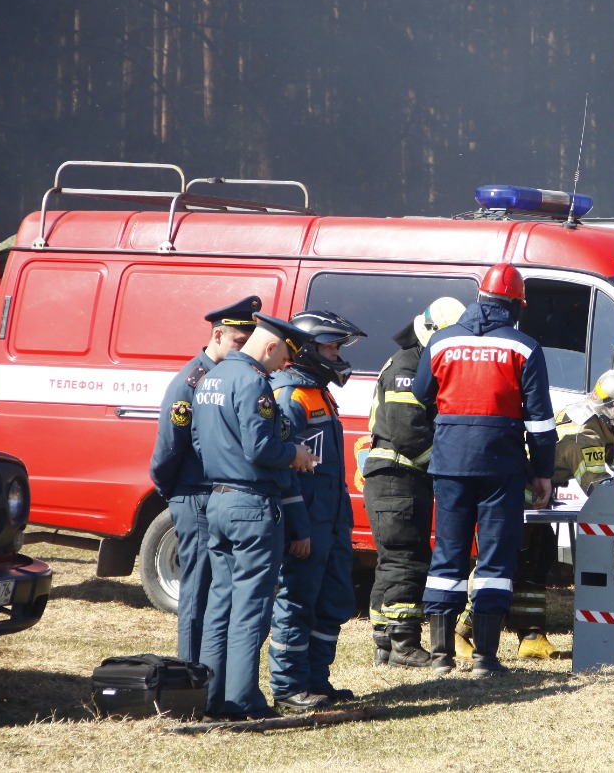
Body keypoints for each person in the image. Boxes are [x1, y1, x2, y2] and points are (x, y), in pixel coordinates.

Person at [413, 263, 557, 677]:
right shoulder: (525, 346)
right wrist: (542, 471)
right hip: (503, 466)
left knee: (448, 556)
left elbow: (422, 395)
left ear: (480, 299)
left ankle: (440, 656)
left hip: (451, 464)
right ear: (516, 305)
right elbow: (541, 422)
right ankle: (485, 659)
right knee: (495, 559)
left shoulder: (441, 342)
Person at [191, 312, 319, 720]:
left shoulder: (208, 378)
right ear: (269, 346)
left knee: (220, 605)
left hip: (218, 500)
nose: (283, 365)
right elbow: (262, 449)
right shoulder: (252, 382)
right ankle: (242, 700)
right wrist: (295, 455)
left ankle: (210, 697)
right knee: (250, 609)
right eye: (283, 355)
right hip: (252, 504)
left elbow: (197, 441)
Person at [514, 368, 614, 659]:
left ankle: (531, 636)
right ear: (613, 409)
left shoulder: (603, 425)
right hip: (516, 496)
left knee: (538, 557)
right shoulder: (584, 434)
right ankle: (463, 633)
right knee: (505, 563)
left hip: (534, 497)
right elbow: (603, 493)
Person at [149, 295, 261, 664]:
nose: (243, 350)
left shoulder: (229, 378)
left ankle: (209, 671)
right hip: (194, 495)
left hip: (216, 498)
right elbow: (168, 450)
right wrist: (176, 494)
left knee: (218, 589)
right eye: (238, 343)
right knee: (196, 590)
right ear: (217, 336)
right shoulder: (191, 383)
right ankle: (190, 673)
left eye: (249, 343)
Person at [267, 310, 366, 711]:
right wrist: (297, 527)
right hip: (307, 519)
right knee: (297, 601)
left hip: (333, 517)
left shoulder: (319, 392)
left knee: (333, 600)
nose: (336, 354)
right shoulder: (288, 395)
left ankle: (316, 680)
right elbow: (286, 470)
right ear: (307, 350)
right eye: (329, 346)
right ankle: (290, 687)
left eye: (338, 347)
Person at [361, 297, 465, 669]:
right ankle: (405, 646)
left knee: (390, 562)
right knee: (407, 560)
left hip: (392, 480)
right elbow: (410, 434)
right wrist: (443, 468)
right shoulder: (409, 366)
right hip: (399, 479)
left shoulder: (411, 360)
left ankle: (384, 644)